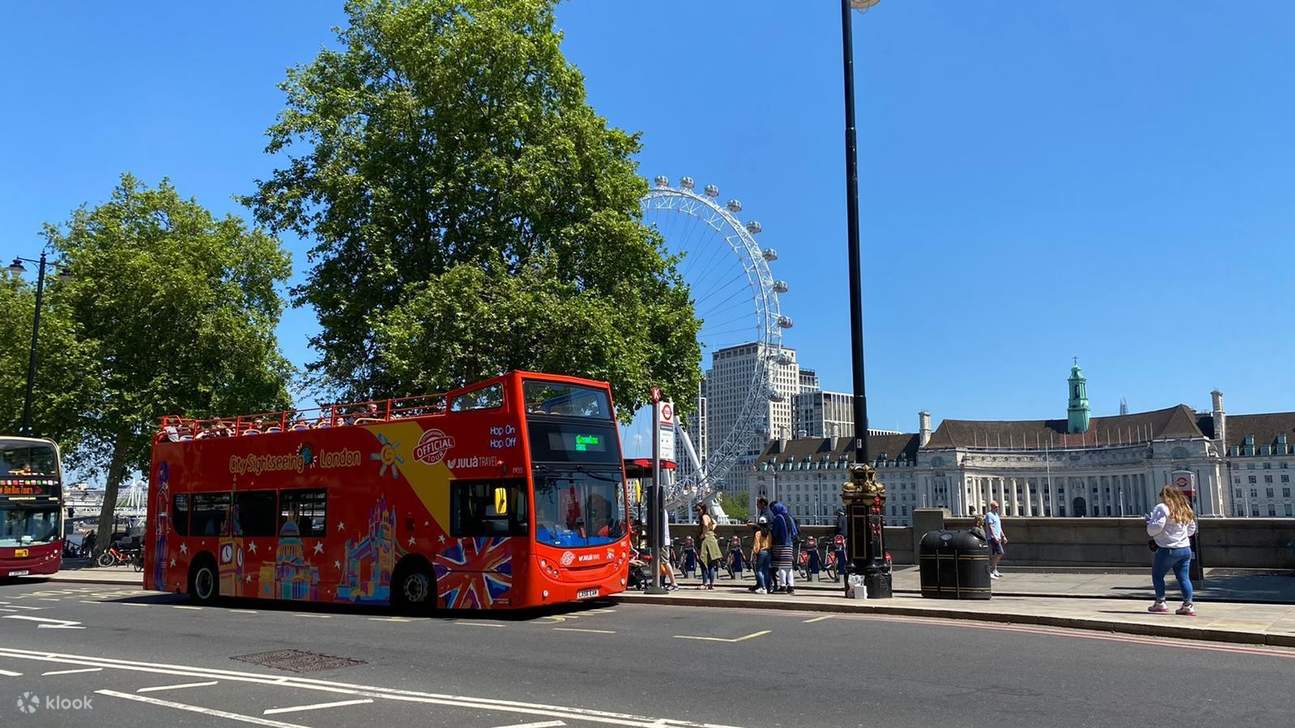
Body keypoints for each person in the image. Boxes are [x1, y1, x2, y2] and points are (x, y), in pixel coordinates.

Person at [1146, 486, 1198, 616]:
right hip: (1185, 548)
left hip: (1168, 548)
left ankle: (1160, 603)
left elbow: (1156, 527)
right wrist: (1180, 535)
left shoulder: (1162, 508)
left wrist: (1149, 525)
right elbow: (1192, 528)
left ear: (1165, 496)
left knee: (1158, 576)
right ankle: (1188, 605)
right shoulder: (1184, 507)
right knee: (1184, 577)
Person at [769, 500, 798, 594]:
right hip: (790, 544)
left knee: (781, 566)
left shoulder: (778, 518)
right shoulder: (789, 517)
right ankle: (791, 586)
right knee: (789, 567)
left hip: (780, 545)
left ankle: (782, 586)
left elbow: (775, 532)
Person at [695, 503, 722, 590]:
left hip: (706, 541)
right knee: (711, 564)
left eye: (699, 510)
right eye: (696, 510)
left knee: (703, 562)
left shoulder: (704, 517)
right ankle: (711, 584)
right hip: (712, 539)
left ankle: (704, 583)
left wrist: (703, 534)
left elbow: (706, 525)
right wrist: (711, 530)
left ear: (703, 509)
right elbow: (715, 523)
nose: (697, 512)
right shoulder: (708, 516)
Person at [748, 517, 771, 594]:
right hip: (768, 552)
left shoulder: (758, 533)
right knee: (766, 571)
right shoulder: (769, 532)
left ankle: (763, 587)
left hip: (761, 552)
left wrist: (755, 552)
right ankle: (767, 587)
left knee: (759, 571)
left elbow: (756, 545)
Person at [985, 500, 1007, 578]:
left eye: (998, 507)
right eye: (996, 507)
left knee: (995, 554)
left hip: (998, 537)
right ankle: (992, 569)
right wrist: (994, 537)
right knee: (1000, 552)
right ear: (992, 507)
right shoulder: (989, 515)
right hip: (992, 538)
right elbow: (990, 527)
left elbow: (999, 527)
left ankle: (994, 570)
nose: (997, 508)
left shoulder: (996, 515)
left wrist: (1003, 536)